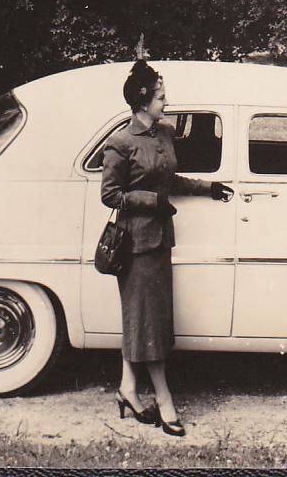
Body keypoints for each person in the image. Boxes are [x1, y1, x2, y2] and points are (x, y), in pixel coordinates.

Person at [100, 60, 233, 437]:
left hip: (160, 242)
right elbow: (110, 194)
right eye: (160, 97)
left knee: (145, 321)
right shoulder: (120, 143)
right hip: (135, 245)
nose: (166, 103)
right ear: (142, 101)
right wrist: (152, 202)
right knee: (150, 324)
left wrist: (208, 188)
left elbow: (169, 178)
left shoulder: (164, 135)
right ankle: (165, 400)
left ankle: (128, 389)